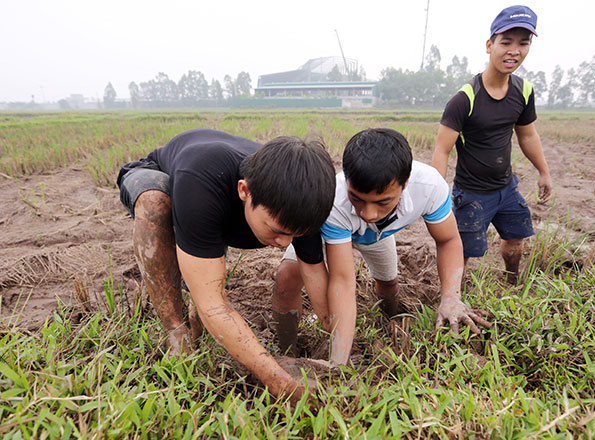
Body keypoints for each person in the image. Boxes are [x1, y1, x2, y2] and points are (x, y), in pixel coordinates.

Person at [116, 128, 336, 401]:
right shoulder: (202, 186)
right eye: (277, 231)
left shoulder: (301, 200)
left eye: (296, 234)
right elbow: (213, 304)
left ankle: (197, 325)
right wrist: (278, 381)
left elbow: (314, 270)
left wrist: (334, 336)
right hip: (165, 178)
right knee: (155, 203)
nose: (284, 243)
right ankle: (176, 334)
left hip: (215, 206)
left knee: (203, 314)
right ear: (245, 191)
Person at [273, 128, 491, 365]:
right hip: (331, 233)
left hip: (380, 236)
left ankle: (390, 321)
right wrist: (338, 362)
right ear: (346, 179)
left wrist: (451, 297)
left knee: (388, 285)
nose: (368, 214)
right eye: (356, 198)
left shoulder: (429, 186)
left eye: (383, 202)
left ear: (405, 183)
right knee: (286, 277)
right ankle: (288, 352)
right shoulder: (334, 200)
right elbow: (343, 280)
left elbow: (448, 239)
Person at [431, 5, 552, 285]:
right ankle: (453, 297)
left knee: (515, 242)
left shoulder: (523, 91)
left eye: (523, 43)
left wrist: (544, 172)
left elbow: (527, 135)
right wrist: (438, 198)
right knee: (460, 251)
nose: (514, 50)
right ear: (490, 45)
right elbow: (442, 149)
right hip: (471, 193)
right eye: (506, 42)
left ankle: (511, 285)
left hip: (507, 188)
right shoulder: (465, 98)